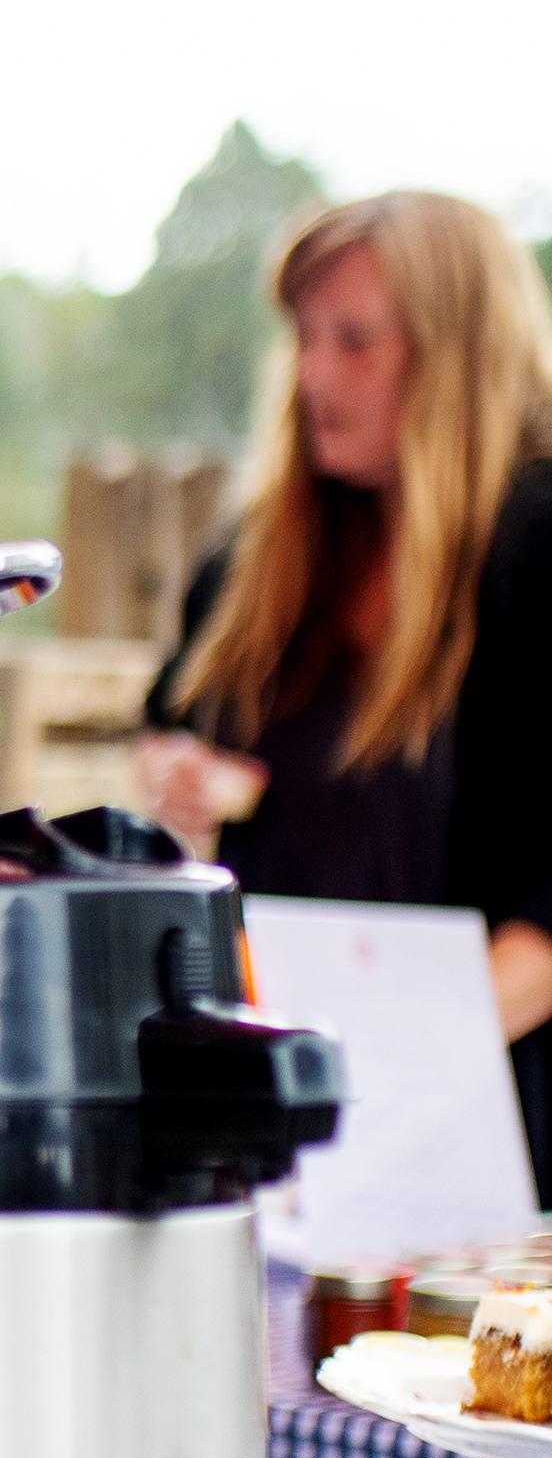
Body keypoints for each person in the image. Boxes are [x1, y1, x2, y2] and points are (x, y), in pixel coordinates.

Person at [137, 190, 552, 1187]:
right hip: (293, 1114)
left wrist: (394, 1072)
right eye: (306, 338)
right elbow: (168, 724)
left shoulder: (538, 542)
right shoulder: (264, 548)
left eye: (357, 340)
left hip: (488, 1132)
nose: (316, 373)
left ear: (457, 354)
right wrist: (181, 773)